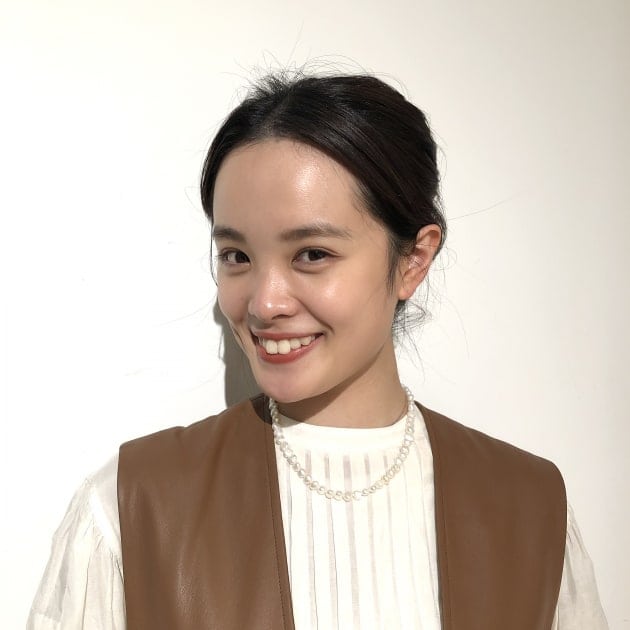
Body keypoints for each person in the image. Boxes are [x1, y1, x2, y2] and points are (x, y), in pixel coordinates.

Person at [28, 72, 608, 630]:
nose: (265, 303)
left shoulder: (530, 509)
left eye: (312, 254)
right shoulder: (130, 509)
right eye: (236, 256)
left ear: (413, 260)